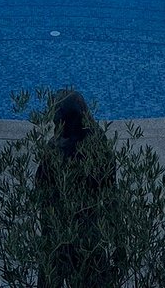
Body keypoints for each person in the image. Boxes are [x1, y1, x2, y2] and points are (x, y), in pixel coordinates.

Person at [35, 91, 119, 288]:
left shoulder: (55, 150)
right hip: (88, 236)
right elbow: (111, 196)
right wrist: (118, 241)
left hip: (59, 236)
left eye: (57, 118)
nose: (54, 123)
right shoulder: (100, 146)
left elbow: (40, 188)